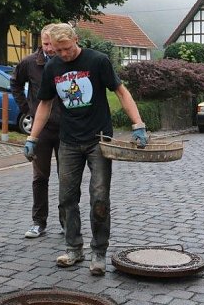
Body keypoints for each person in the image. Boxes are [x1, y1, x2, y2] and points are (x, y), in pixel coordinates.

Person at [24, 22, 148, 276]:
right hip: (68, 141)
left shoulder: (98, 61)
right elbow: (45, 105)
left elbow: (121, 92)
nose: (64, 55)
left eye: (67, 48)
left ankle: (99, 252)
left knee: (99, 197)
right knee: (67, 198)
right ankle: (74, 249)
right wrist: (33, 138)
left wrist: (138, 123)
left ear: (76, 40)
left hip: (99, 140)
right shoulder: (52, 67)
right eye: (58, 50)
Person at [11, 24, 64, 239]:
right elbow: (15, 83)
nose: (49, 48)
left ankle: (67, 222)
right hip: (40, 129)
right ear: (40, 42)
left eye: (53, 44)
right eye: (45, 43)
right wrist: (26, 108)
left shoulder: (66, 61)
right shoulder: (30, 62)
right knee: (40, 177)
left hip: (65, 128)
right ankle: (38, 222)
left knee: (66, 177)